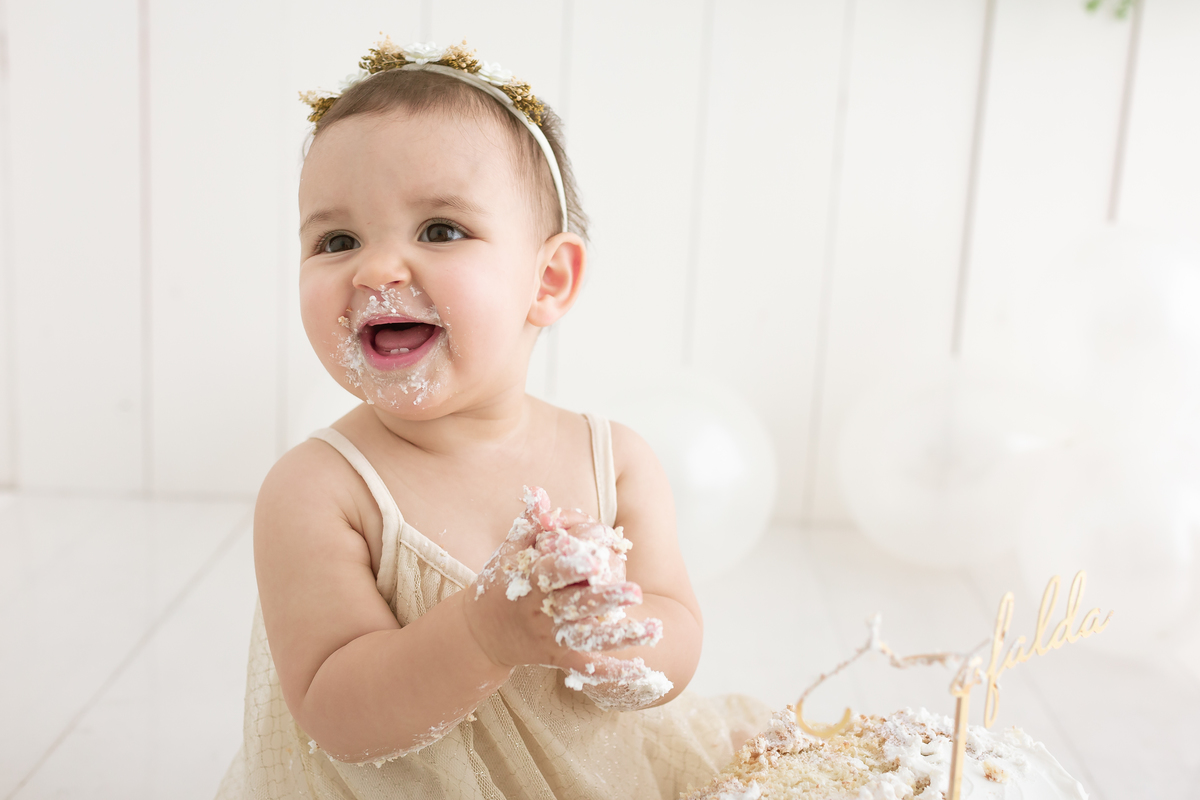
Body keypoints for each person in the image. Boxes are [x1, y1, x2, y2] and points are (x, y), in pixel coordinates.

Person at [217, 38, 767, 800]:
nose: (376, 269)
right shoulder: (318, 490)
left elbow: (675, 636)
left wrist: (619, 644)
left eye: (440, 229)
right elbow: (335, 711)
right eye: (336, 240)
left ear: (547, 279)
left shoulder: (617, 461)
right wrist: (481, 635)